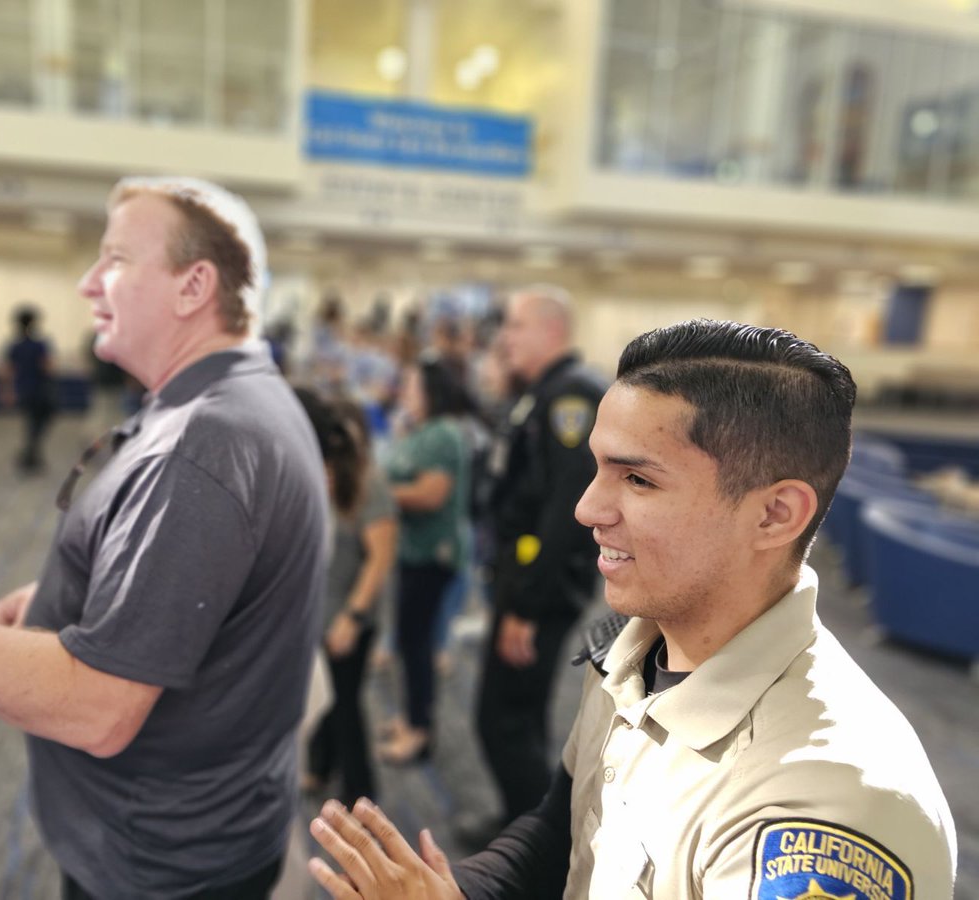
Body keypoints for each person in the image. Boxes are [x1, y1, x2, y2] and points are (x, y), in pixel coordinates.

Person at [0, 176, 329, 899]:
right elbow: (222, 583)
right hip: (194, 836)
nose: (88, 283)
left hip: (161, 864)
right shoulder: (235, 398)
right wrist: (81, 596)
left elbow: (95, 711)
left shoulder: (207, 442)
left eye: (116, 260)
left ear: (193, 285)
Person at [305, 319, 957, 899]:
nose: (587, 508)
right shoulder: (636, 647)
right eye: (597, 469)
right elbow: (562, 836)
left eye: (638, 479)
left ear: (774, 514)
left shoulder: (826, 807)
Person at [458, 286, 607, 847]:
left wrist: (525, 606)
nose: (505, 338)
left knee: (504, 721)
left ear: (550, 332)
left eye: (516, 326)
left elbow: (564, 515)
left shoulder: (571, 396)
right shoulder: (544, 392)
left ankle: (537, 859)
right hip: (523, 583)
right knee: (518, 720)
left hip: (536, 592)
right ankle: (522, 829)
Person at [298, 390, 398, 807]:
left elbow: (380, 557)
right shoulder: (313, 475)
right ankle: (321, 767)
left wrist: (352, 617)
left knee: (345, 706)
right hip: (316, 615)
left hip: (348, 616)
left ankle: (361, 794)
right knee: (326, 698)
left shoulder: (366, 482)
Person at [380, 358, 471, 765]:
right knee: (409, 641)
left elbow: (431, 494)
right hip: (412, 552)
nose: (405, 392)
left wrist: (379, 494)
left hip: (433, 556)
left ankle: (420, 730)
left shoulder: (444, 434)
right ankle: (411, 717)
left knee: (417, 646)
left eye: (413, 386)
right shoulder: (419, 431)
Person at [0, 305, 56, 474]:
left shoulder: (14, 345)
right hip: (40, 389)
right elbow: (48, 367)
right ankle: (31, 454)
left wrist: (7, 391)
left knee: (31, 422)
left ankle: (30, 454)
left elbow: (7, 371)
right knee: (39, 423)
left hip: (23, 389)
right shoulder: (41, 344)